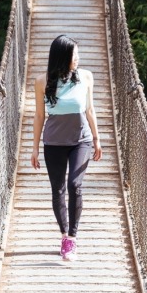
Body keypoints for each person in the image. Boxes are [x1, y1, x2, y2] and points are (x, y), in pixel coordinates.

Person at [30, 35, 102, 260]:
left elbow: (90, 111)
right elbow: (40, 116)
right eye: (74, 56)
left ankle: (72, 238)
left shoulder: (86, 77)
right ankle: (64, 236)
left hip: (81, 140)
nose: (78, 59)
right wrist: (34, 148)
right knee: (58, 189)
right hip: (53, 143)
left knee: (74, 185)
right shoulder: (42, 82)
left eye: (78, 55)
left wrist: (97, 139)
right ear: (62, 58)